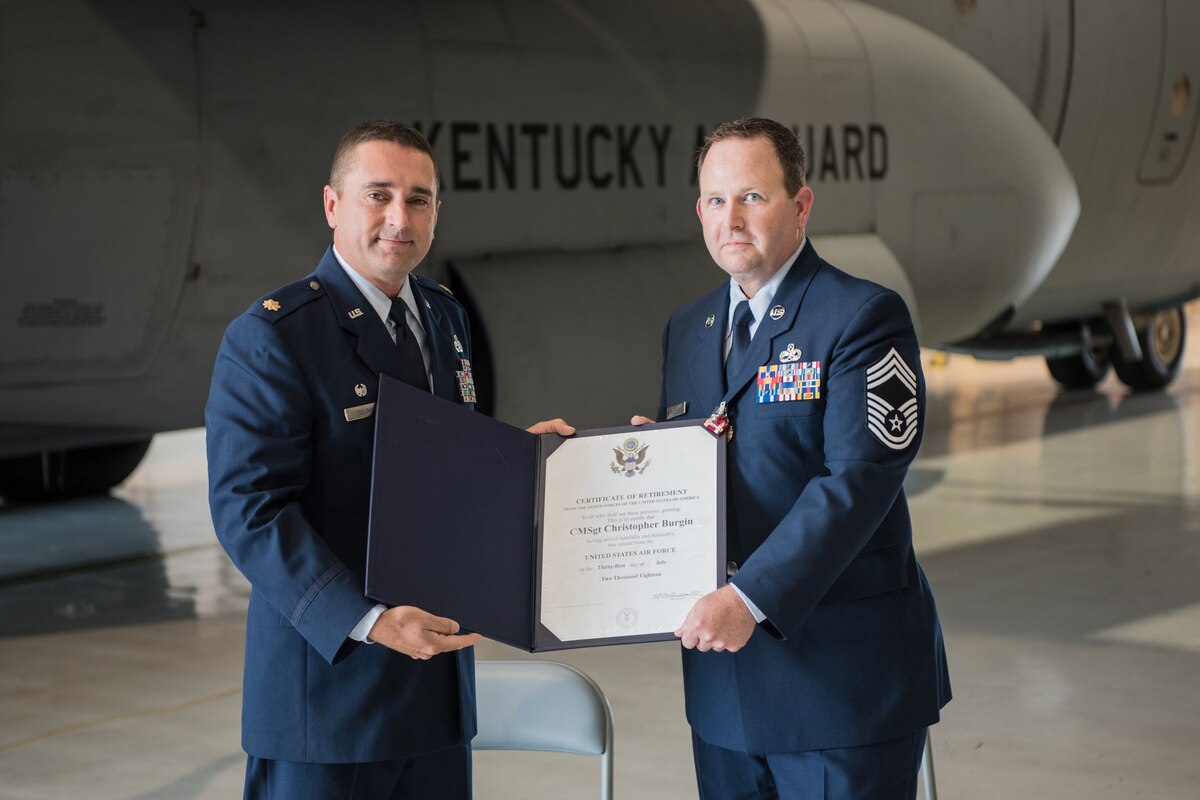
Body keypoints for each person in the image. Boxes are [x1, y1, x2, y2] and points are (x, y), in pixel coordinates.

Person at [205, 120, 573, 799]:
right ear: (332, 204)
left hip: (433, 698)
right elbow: (250, 512)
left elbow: (442, 469)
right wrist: (368, 620)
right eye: (378, 195)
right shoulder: (274, 338)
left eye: (420, 199)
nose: (399, 219)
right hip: (328, 704)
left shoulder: (443, 316)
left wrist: (522, 463)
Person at [637, 117, 951, 799]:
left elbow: (858, 482)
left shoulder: (862, 317)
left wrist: (748, 598)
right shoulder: (688, 329)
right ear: (699, 213)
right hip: (725, 686)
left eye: (753, 197)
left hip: (843, 685)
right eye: (716, 201)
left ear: (800, 205)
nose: (732, 218)